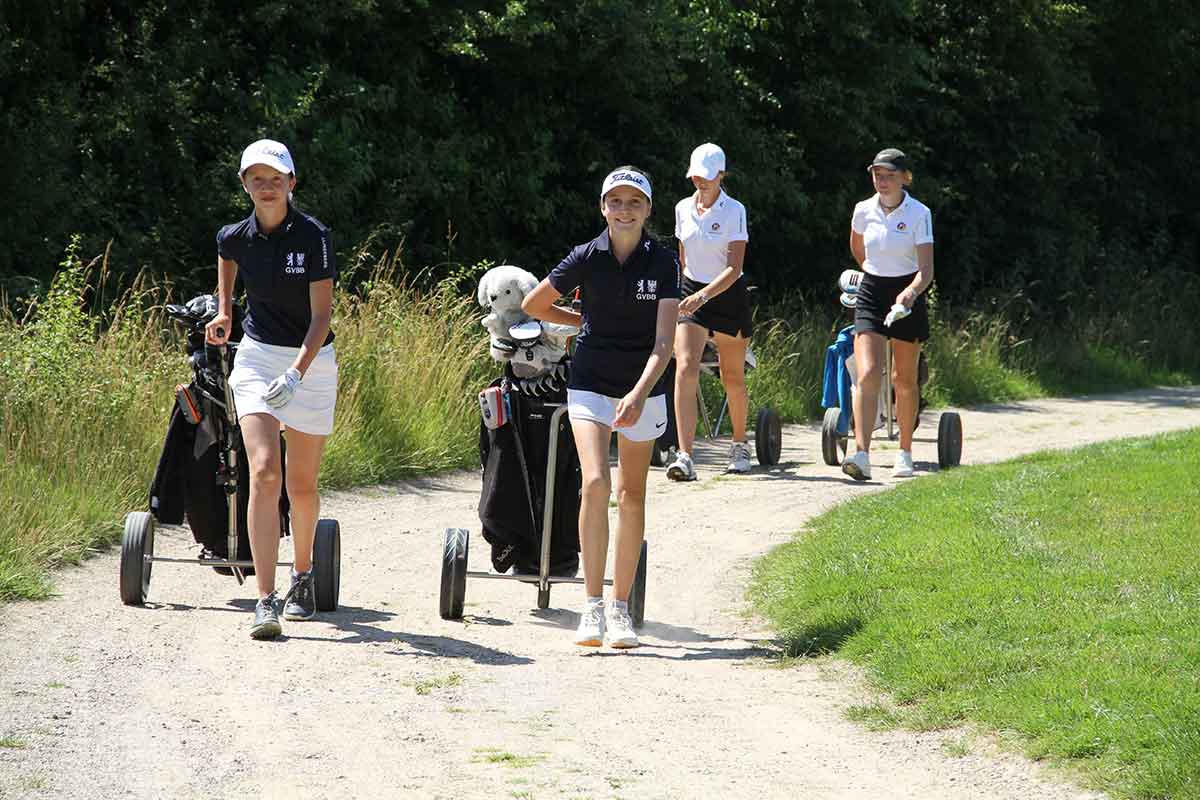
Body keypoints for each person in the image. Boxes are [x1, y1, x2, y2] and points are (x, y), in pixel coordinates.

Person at [522, 166, 680, 649]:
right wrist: (582, 317)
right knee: (595, 481)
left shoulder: (664, 262)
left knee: (631, 495)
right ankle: (591, 607)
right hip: (589, 379)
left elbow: (664, 342)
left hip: (644, 385)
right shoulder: (586, 256)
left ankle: (620, 609)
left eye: (634, 202)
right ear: (603, 208)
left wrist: (637, 394)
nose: (624, 210)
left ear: (648, 209)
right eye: (616, 202)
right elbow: (533, 304)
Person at [205, 139, 338, 639]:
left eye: (275, 178)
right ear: (245, 184)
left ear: (291, 184)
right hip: (258, 358)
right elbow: (228, 272)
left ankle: (302, 575)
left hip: (311, 361)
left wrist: (299, 372)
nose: (266, 186)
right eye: (256, 178)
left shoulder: (314, 236)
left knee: (301, 486)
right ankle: (266, 599)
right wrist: (224, 312)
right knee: (263, 471)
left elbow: (321, 316)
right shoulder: (233, 236)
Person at [843, 147, 934, 481]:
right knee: (867, 374)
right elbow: (857, 249)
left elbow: (926, 270)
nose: (882, 181)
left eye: (889, 175)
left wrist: (909, 293)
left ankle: (905, 451)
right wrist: (870, 271)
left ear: (904, 178)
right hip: (871, 291)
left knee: (903, 379)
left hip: (907, 293)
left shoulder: (919, 213)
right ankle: (862, 453)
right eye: (877, 175)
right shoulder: (863, 210)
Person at [665, 143, 753, 481]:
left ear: (721, 175)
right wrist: (689, 296)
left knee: (732, 375)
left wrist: (703, 296)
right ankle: (685, 454)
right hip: (692, 292)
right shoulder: (682, 208)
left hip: (728, 296)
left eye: (707, 176)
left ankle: (740, 444)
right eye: (695, 176)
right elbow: (684, 258)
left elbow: (734, 268)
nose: (700, 181)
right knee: (685, 366)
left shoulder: (734, 210)